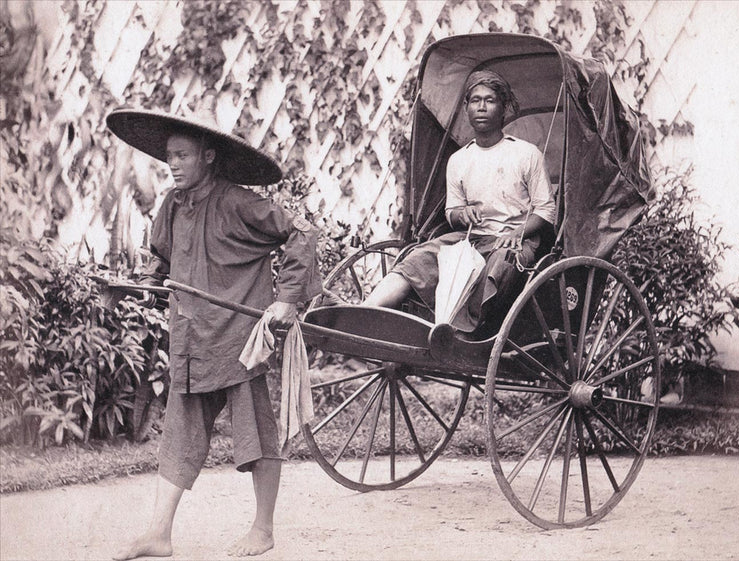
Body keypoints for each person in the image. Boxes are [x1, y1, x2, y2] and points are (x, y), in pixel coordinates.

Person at [106, 106, 321, 559]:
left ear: (207, 157)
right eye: (169, 157)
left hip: (238, 337)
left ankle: (263, 529)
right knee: (179, 434)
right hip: (190, 335)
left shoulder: (238, 201)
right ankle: (159, 534)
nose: (174, 165)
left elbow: (302, 233)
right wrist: (146, 282)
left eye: (182, 155)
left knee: (255, 433)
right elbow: (160, 255)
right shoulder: (172, 205)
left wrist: (285, 298)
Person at [364, 70, 556, 333]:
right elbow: (452, 211)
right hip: (470, 238)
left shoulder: (525, 154)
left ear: (504, 108)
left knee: (501, 263)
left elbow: (546, 209)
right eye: (475, 100)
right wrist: (461, 214)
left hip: (514, 240)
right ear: (466, 108)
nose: (481, 107)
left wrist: (518, 232)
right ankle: (364, 311)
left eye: (490, 100)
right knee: (419, 258)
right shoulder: (459, 160)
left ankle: (464, 333)